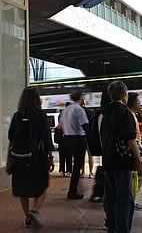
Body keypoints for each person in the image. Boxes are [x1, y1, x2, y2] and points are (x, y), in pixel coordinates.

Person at [101, 81, 142, 233]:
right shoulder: (124, 112)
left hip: (108, 162)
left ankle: (112, 228)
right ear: (124, 94)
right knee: (125, 200)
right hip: (123, 163)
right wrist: (139, 161)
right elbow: (130, 139)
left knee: (111, 199)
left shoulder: (104, 113)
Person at [8, 86, 55, 228]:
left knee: (23, 188)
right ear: (37, 99)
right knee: (42, 186)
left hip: (19, 157)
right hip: (37, 157)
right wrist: (50, 156)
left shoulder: (17, 116)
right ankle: (35, 211)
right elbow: (47, 139)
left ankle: (27, 217)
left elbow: (10, 136)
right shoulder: (41, 116)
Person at [60, 90, 89, 199]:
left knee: (73, 165)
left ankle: (74, 188)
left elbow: (60, 125)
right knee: (77, 166)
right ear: (80, 98)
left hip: (67, 139)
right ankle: (72, 191)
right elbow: (85, 125)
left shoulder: (66, 109)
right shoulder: (79, 109)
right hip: (78, 139)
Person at [127, 92, 142, 211]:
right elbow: (130, 138)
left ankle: (132, 200)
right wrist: (138, 158)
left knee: (137, 176)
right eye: (138, 101)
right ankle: (131, 201)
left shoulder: (133, 115)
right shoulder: (128, 115)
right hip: (134, 149)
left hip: (138, 148)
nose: (140, 103)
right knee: (138, 176)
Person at [56, 102, 73, 177]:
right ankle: (69, 170)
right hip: (69, 137)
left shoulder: (61, 114)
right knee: (69, 155)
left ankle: (62, 170)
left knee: (61, 155)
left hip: (61, 137)